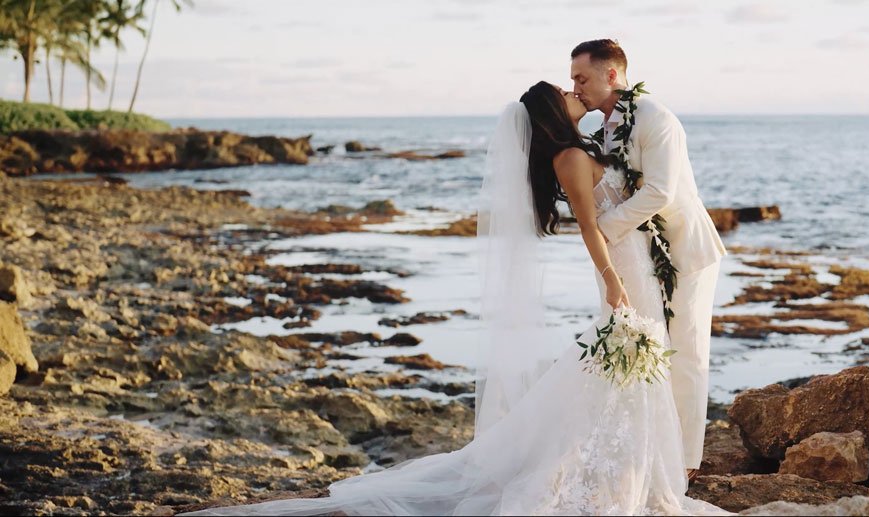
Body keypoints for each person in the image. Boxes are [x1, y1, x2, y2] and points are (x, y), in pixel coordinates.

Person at [178, 81, 731, 515]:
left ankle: (636, 466)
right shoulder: (567, 158)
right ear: (552, 113)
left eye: (575, 84)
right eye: (565, 92)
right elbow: (589, 226)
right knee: (628, 362)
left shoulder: (590, 141)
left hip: (637, 259)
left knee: (630, 363)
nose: (573, 92)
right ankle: (625, 470)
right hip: (622, 266)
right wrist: (610, 280)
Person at [570, 39, 728, 479]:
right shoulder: (605, 128)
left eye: (582, 78)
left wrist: (604, 230)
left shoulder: (656, 118)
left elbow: (661, 191)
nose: (576, 87)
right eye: (573, 80)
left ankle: (687, 462)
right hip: (643, 253)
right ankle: (653, 448)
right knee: (650, 345)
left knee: (688, 351)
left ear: (612, 76)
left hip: (686, 250)